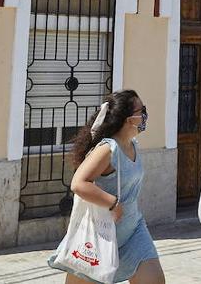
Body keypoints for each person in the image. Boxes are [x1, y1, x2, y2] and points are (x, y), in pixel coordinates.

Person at [65, 90, 165, 284]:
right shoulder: (108, 149)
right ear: (129, 118)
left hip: (133, 230)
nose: (145, 115)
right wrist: (112, 202)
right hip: (99, 236)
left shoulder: (133, 145)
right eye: (142, 110)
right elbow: (78, 183)